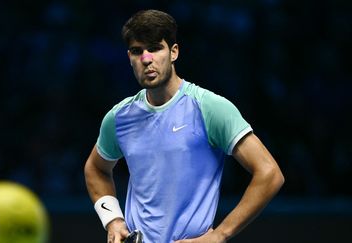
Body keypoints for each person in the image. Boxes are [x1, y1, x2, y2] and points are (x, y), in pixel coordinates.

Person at [84, 9, 284, 243]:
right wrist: (113, 221)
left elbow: (270, 174)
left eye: (155, 48)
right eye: (137, 51)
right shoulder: (119, 118)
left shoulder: (209, 107)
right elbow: (96, 169)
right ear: (129, 57)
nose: (146, 59)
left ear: (174, 52)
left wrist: (220, 235)